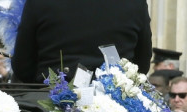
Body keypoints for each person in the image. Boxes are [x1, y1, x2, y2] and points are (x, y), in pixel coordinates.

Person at [12, 0, 152, 82]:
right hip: (116, 109)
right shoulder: (136, 3)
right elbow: (142, 65)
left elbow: (23, 67)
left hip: (51, 106)